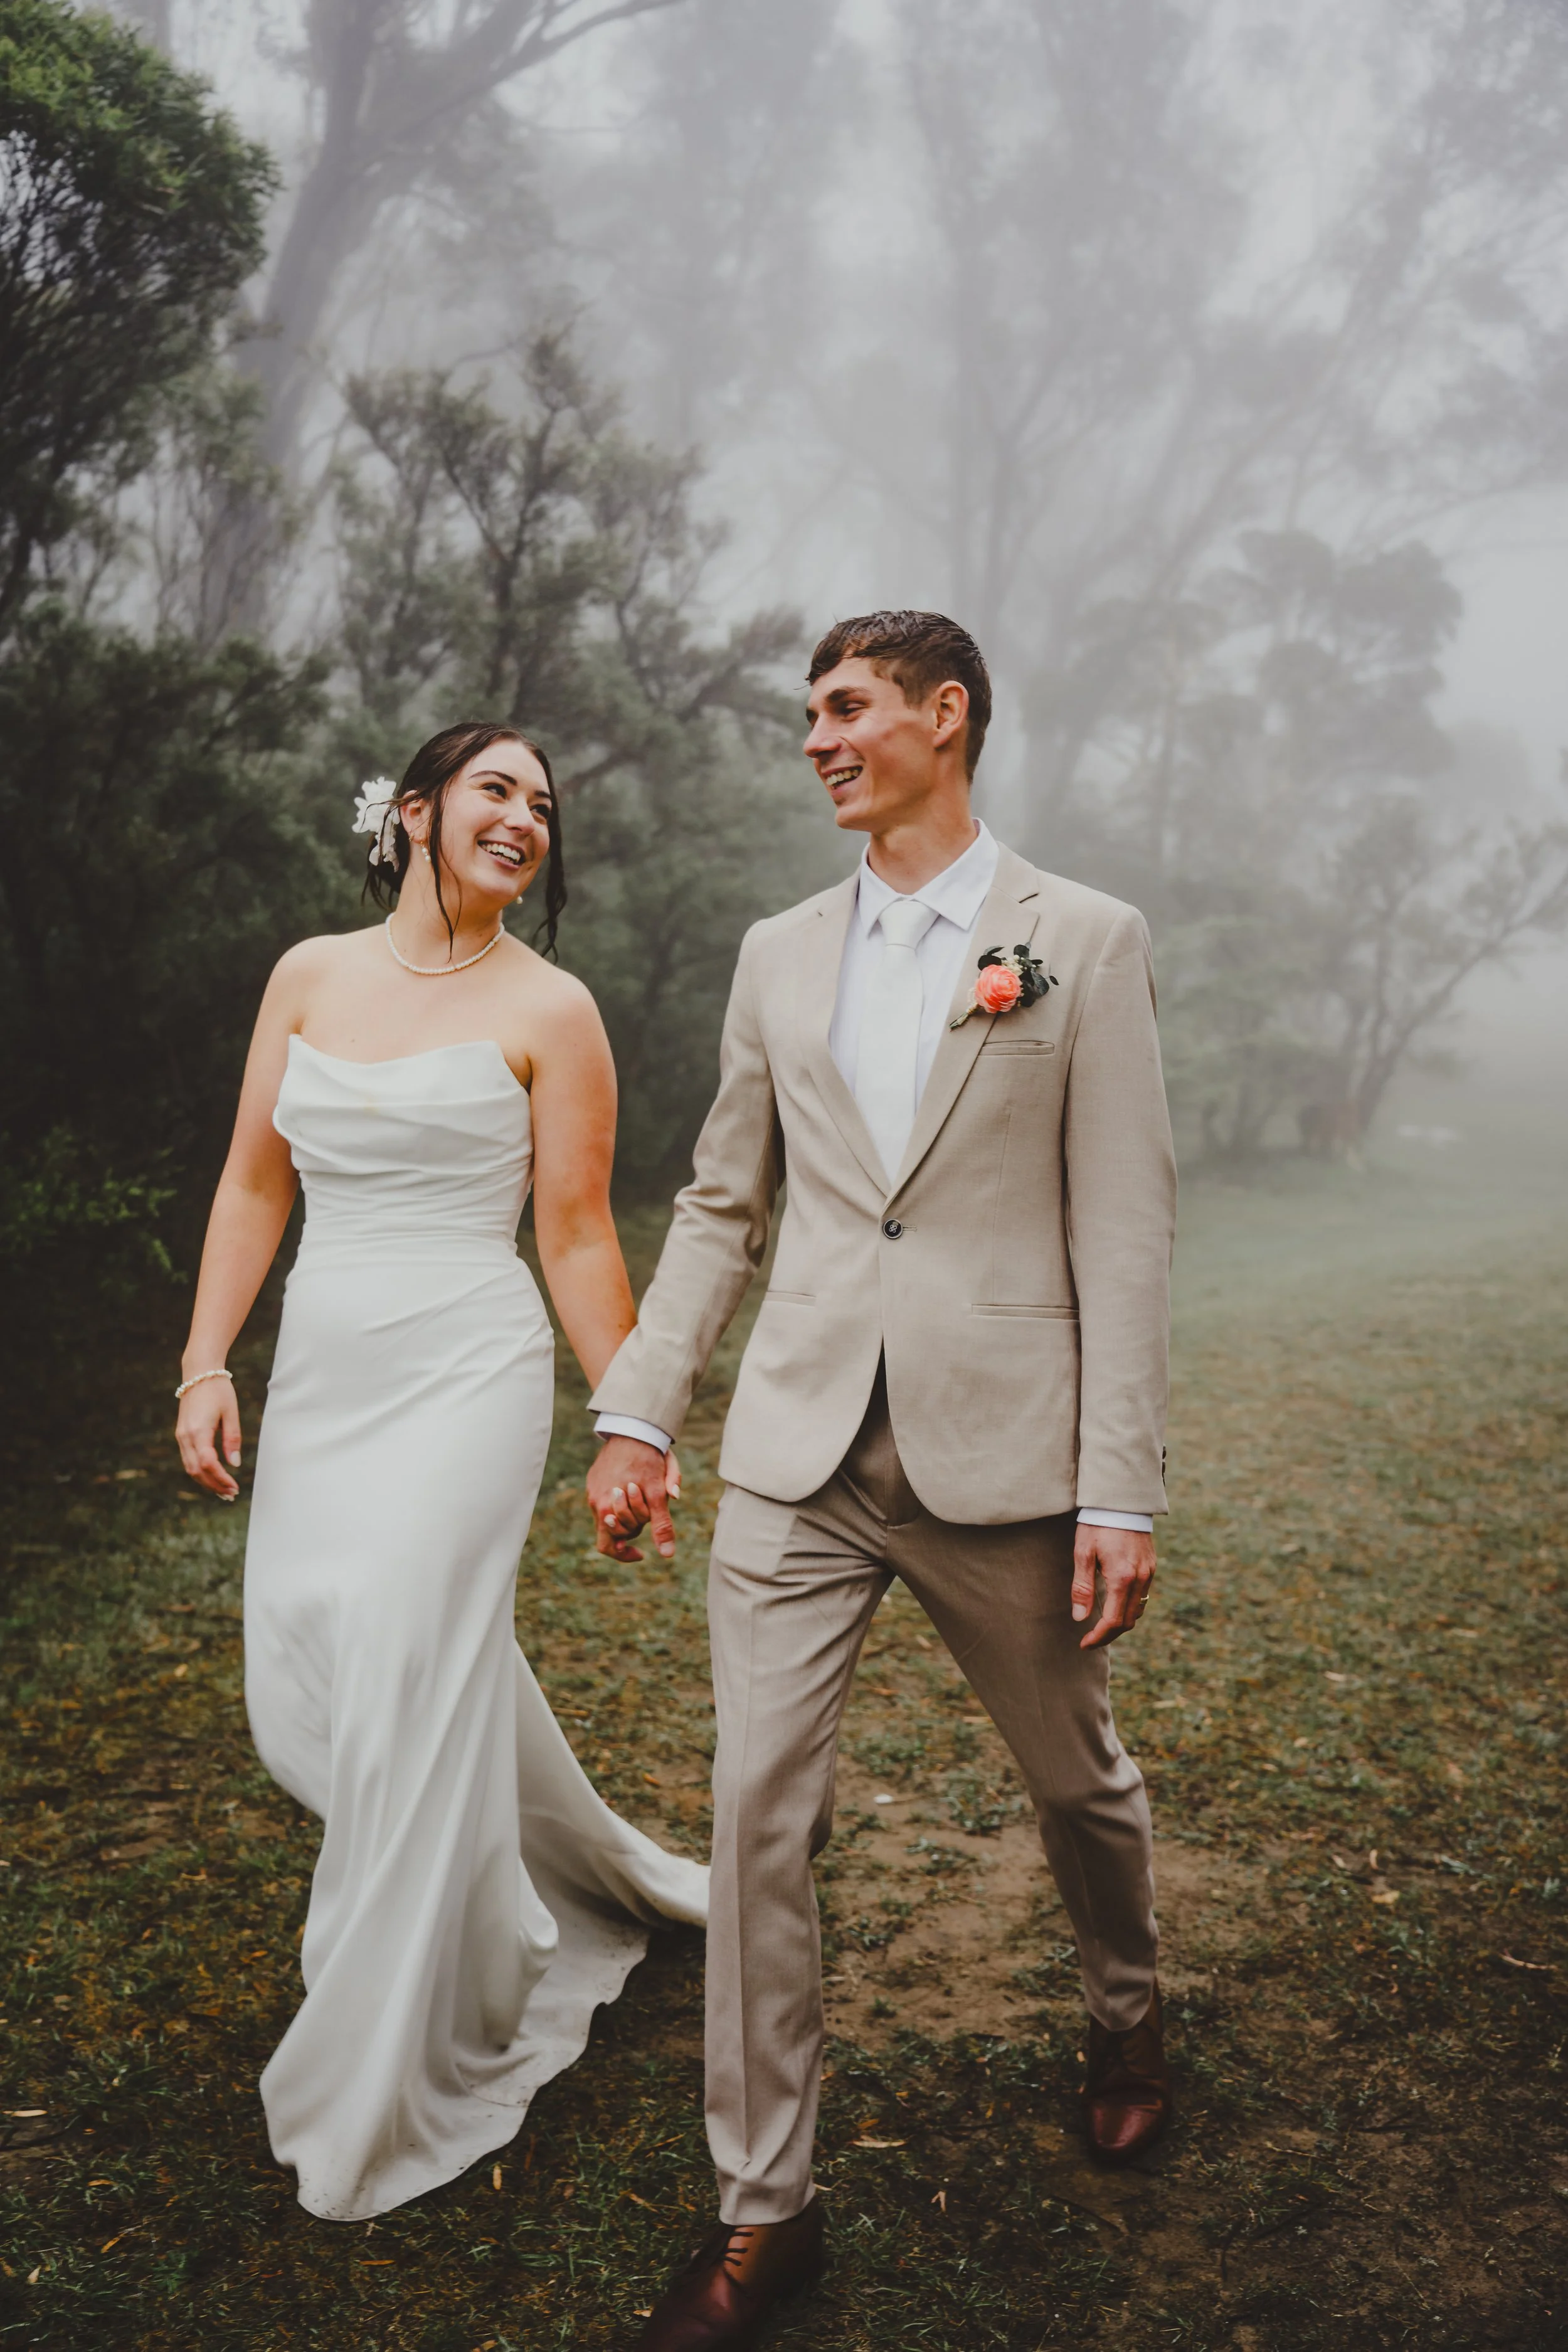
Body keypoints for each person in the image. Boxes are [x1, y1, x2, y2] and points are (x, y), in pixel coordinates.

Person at [586, 612, 1177, 2349]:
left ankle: (1126, 2009)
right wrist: (641, 1407)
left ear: (946, 714)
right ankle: (765, 2215)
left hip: (1003, 1449)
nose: (816, 737)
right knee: (758, 1813)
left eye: (845, 708)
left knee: (1077, 1782)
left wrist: (1119, 1485)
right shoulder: (777, 951)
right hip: (795, 1450)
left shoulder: (1081, 940)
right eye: (809, 712)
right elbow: (719, 1202)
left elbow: (1123, 1226)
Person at [174, 720, 707, 2224]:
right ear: (414, 813)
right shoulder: (307, 975)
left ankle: (387, 2063)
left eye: (544, 805)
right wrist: (208, 1361)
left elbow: (580, 1235)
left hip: (468, 1374)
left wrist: (633, 1421)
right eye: (496, 790)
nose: (525, 818)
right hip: (329, 1382)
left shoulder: (554, 1006)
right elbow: (252, 1181)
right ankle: (529, 1891)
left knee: (413, 1662)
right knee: (310, 1690)